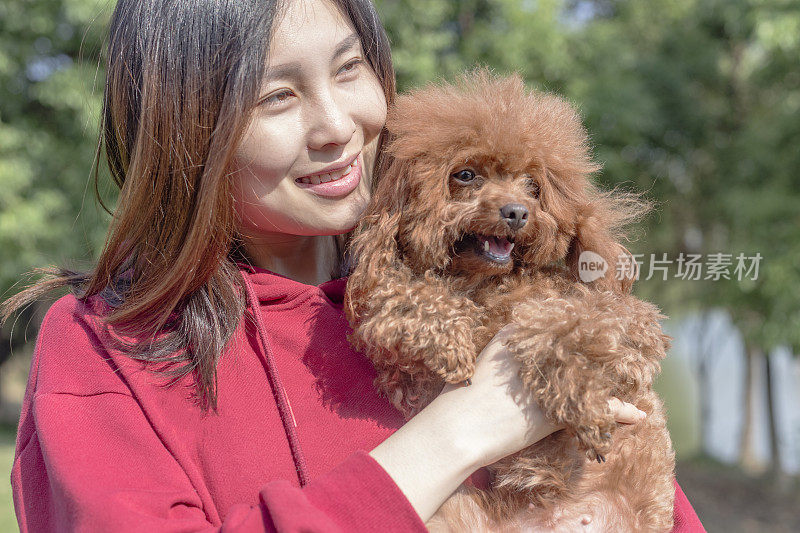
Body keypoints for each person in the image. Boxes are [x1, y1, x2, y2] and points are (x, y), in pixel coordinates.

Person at [3, 0, 705, 531]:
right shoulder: (107, 350)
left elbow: (644, 493)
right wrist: (464, 428)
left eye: (349, 69)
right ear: (187, 130)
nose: (337, 125)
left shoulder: (504, 285)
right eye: (277, 96)